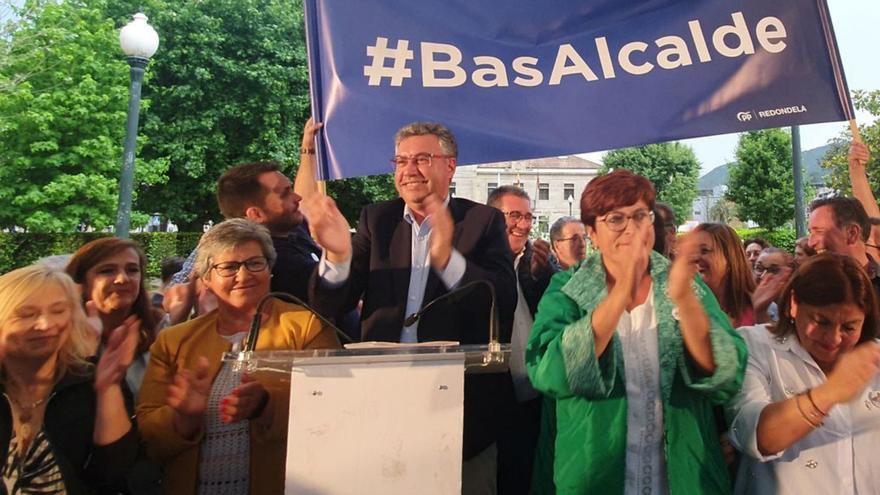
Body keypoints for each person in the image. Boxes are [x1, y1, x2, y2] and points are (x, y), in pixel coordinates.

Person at [304, 121, 517, 493]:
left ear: (450, 166)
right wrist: (338, 256)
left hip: (460, 410)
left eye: (421, 159)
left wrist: (448, 260)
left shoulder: (483, 221)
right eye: (401, 161)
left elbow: (502, 301)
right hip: (383, 403)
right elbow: (330, 304)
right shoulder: (377, 219)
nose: (408, 170)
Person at [526, 170, 747, 494]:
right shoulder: (567, 288)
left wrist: (685, 301)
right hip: (594, 477)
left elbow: (728, 371)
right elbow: (548, 371)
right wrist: (618, 295)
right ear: (593, 234)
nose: (631, 229)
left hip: (687, 477)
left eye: (640, 216)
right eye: (616, 219)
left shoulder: (685, 283)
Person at [137, 219, 341, 495]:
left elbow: (335, 412)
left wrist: (266, 407)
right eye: (229, 267)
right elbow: (150, 439)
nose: (243, 276)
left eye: (255, 263)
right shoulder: (174, 342)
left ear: (270, 269)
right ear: (206, 279)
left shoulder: (308, 327)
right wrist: (182, 418)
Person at [728, 253, 880, 494]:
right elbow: (753, 435)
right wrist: (829, 393)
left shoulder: (873, 357)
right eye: (821, 322)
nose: (834, 339)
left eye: (849, 327)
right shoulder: (755, 345)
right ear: (794, 304)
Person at [163, 119, 328, 327]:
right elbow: (179, 291)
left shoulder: (288, 226)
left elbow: (305, 197)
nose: (297, 198)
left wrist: (308, 149)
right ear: (256, 214)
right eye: (230, 267)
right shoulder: (275, 260)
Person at [0, 264, 139, 493]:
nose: (45, 325)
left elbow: (112, 472)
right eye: (27, 314)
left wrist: (108, 389)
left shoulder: (91, 381)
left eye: (58, 311)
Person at [487, 186, 557, 493]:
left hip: (535, 394)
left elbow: (551, 320)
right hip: (493, 399)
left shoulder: (539, 265)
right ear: (492, 218)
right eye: (514, 215)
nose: (524, 224)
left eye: (528, 216)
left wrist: (541, 276)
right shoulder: (479, 265)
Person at [66, 237, 169, 396]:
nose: (122, 279)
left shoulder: (161, 329)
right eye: (107, 271)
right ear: (81, 283)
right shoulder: (62, 336)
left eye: (132, 270)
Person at [807, 196, 880, 295]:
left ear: (852, 233)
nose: (810, 243)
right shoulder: (807, 287)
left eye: (819, 232)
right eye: (810, 232)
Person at [693, 223, 757, 328]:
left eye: (704, 251)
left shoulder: (759, 309)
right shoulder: (680, 311)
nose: (695, 258)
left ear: (729, 257)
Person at [751, 248, 793, 323]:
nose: (763, 276)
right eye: (759, 268)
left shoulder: (794, 310)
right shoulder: (740, 304)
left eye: (773, 270)